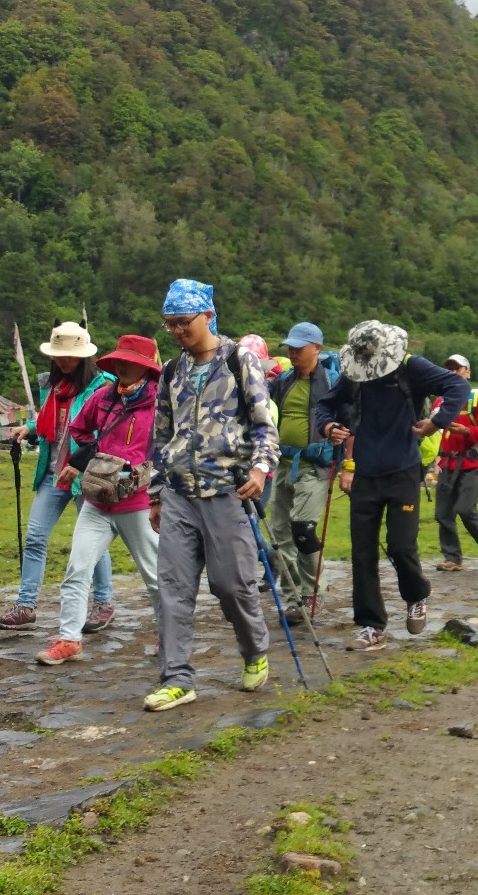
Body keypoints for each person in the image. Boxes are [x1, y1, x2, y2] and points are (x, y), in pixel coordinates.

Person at [142, 279, 279, 712]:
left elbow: (263, 425)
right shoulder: (171, 371)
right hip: (180, 493)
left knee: (231, 586)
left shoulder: (240, 361)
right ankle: (177, 678)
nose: (178, 331)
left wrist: (260, 468)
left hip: (226, 491)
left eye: (184, 322)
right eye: (170, 325)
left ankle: (255, 650)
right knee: (172, 590)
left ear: (207, 316)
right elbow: (160, 435)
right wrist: (156, 493)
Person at [315, 321, 468, 651]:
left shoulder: (411, 368)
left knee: (400, 546)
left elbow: (457, 387)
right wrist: (327, 426)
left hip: (403, 471)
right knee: (362, 551)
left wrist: (436, 423)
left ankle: (416, 596)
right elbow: (326, 404)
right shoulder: (354, 373)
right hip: (365, 474)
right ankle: (371, 625)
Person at [36, 335, 165, 666]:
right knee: (77, 568)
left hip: (137, 503)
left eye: (129, 362)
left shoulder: (161, 404)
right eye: (118, 360)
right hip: (96, 500)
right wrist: (90, 459)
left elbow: (169, 448)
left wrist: (150, 480)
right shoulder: (103, 397)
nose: (121, 366)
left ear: (144, 367)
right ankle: (69, 639)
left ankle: (170, 634)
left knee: (154, 576)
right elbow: (80, 431)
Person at [0, 322, 116, 632]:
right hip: (52, 472)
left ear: (84, 356)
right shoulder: (52, 386)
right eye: (59, 355)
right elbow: (53, 423)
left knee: (93, 542)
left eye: (70, 356)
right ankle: (26, 606)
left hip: (86, 474)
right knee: (35, 536)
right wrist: (29, 429)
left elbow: (103, 431)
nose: (64, 361)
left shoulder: (103, 386)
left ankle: (102, 603)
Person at [265, 321, 338, 621]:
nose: (293, 353)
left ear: (317, 349)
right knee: (280, 537)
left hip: (315, 468)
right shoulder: (283, 380)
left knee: (303, 530)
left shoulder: (333, 383)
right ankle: (295, 596)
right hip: (283, 465)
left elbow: (349, 418)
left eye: (299, 347)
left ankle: (312, 594)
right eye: (290, 348)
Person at [433, 353, 478, 572]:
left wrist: (468, 431)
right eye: (449, 369)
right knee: (442, 513)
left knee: (465, 508)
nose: (453, 372)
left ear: (468, 372)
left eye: (458, 368)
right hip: (448, 464)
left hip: (472, 463)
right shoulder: (440, 401)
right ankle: (452, 558)